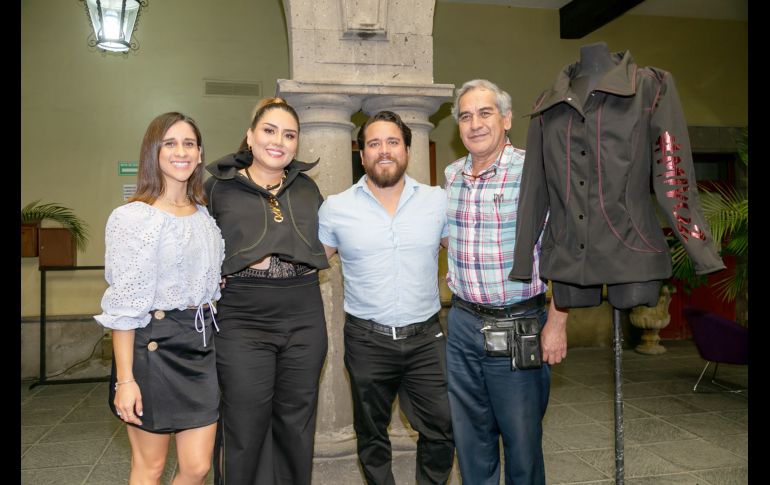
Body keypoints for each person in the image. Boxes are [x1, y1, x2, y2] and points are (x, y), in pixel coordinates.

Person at [510, 42, 725, 310]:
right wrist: (522, 261)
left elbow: (673, 174)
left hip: (633, 254)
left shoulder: (650, 88)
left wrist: (701, 251)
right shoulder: (547, 104)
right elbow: (534, 188)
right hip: (567, 260)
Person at [318, 110, 454, 485]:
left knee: (443, 428)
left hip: (426, 340)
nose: (383, 151)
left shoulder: (436, 202)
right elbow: (305, 265)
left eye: (392, 142)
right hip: (367, 341)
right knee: (371, 434)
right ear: (361, 155)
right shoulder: (336, 208)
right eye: (373, 144)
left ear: (406, 150)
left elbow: (467, 252)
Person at [443, 79, 569, 485]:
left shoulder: (536, 171)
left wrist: (558, 322)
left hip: (519, 326)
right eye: (465, 116)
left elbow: (564, 250)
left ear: (507, 119)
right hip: (462, 325)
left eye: (485, 113)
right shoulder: (451, 177)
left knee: (522, 445)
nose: (475, 124)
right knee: (471, 442)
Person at [94, 111, 225, 484]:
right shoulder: (133, 217)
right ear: (154, 152)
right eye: (170, 143)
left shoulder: (204, 216)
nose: (180, 151)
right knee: (149, 468)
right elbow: (124, 307)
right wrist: (125, 380)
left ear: (200, 154)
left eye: (189, 143)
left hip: (200, 345)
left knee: (198, 467)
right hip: (153, 348)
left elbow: (208, 282)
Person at [204, 97, 329, 485]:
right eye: (269, 130)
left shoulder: (308, 189)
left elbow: (328, 242)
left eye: (289, 134)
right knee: (244, 423)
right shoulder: (218, 188)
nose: (279, 141)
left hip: (304, 312)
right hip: (243, 317)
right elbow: (193, 241)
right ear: (250, 135)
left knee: (297, 421)